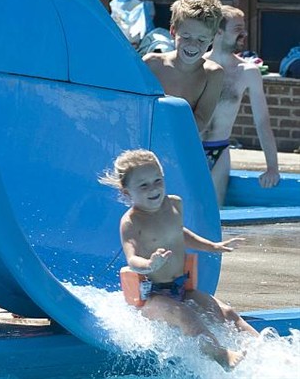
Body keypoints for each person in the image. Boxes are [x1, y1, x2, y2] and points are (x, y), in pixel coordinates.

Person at [100, 149, 258, 369]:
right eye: (143, 185)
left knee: (227, 313)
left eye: (157, 180)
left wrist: (212, 246)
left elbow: (179, 233)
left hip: (181, 288)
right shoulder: (131, 222)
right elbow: (132, 258)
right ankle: (222, 356)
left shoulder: (174, 204)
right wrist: (149, 264)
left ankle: (263, 348)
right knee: (187, 317)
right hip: (153, 297)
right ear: (127, 193)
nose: (153, 189)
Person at [203, 6, 280, 206]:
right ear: (218, 31)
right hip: (189, 147)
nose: (244, 33)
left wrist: (272, 167)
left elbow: (262, 122)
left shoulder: (248, 72)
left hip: (219, 150)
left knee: (216, 213)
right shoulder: (194, 65)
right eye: (238, 28)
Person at [143, 0, 224, 136]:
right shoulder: (152, 64)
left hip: (180, 144)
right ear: (173, 31)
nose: (193, 45)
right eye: (186, 36)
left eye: (201, 40)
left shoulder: (212, 74)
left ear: (212, 39)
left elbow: (200, 121)